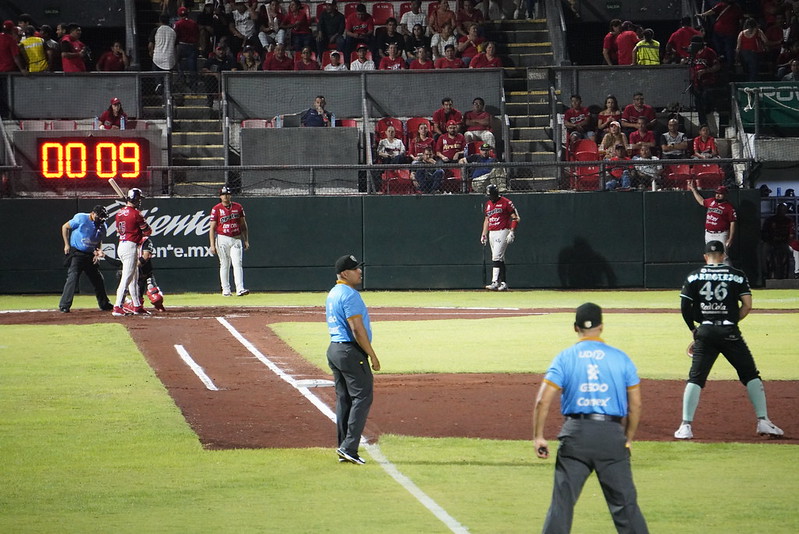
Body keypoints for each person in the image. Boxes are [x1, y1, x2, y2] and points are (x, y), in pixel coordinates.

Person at [533, 302, 649, 534]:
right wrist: (627, 439)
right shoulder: (621, 358)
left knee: (561, 505)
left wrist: (538, 437)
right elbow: (635, 405)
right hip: (611, 436)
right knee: (626, 507)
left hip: (575, 435)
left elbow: (542, 401)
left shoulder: (564, 358)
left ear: (575, 327)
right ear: (601, 327)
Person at [674, 241, 784, 440]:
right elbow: (747, 305)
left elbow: (684, 307)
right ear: (724, 256)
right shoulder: (737, 275)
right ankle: (763, 420)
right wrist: (731, 321)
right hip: (729, 331)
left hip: (705, 331)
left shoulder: (693, 276)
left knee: (696, 378)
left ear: (705, 257)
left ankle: (685, 426)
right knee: (750, 375)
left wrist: (693, 329)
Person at [325, 254, 381, 465]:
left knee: (344, 399)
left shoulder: (333, 292)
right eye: (355, 268)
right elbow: (357, 329)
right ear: (344, 273)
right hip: (350, 352)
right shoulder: (349, 295)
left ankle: (344, 446)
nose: (360, 271)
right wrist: (372, 355)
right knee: (363, 397)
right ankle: (349, 448)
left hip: (335, 349)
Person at [58, 205, 115, 313]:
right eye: (99, 216)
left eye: (103, 217)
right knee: (73, 277)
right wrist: (66, 244)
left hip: (90, 255)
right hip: (77, 254)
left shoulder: (103, 226)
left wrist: (97, 253)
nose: (101, 219)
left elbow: (99, 240)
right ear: (93, 213)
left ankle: (104, 304)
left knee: (98, 279)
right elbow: (65, 227)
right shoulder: (81, 218)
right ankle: (64, 305)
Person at [112, 188, 152, 316]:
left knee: (134, 277)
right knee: (127, 278)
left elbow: (118, 230)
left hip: (122, 245)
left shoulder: (119, 213)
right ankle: (118, 306)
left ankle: (137, 305)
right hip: (130, 246)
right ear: (134, 199)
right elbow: (148, 231)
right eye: (138, 199)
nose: (140, 201)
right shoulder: (136, 214)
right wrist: (141, 230)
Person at [209, 186, 250, 297]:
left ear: (230, 195)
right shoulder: (216, 209)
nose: (225, 196)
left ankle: (240, 289)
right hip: (222, 238)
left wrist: (246, 239)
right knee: (225, 264)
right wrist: (212, 245)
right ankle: (226, 290)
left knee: (237, 263)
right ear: (220, 196)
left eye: (227, 194)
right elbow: (212, 228)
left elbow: (243, 224)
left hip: (236, 237)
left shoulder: (238, 207)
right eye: (223, 194)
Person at [481, 184, 519, 290]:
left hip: (502, 230)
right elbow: (487, 220)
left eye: (490, 195)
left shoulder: (506, 202)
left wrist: (512, 231)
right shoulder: (488, 204)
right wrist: (484, 234)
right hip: (492, 232)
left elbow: (515, 218)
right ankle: (503, 283)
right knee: (500, 259)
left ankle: (494, 282)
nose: (489, 197)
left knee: (496, 257)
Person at [120, 237, 166, 313]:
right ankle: (127, 304)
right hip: (136, 276)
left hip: (146, 272)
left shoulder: (145, 241)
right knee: (137, 301)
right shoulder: (126, 242)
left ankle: (159, 306)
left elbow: (146, 256)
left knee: (156, 297)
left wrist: (133, 266)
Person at [689, 182, 736, 250]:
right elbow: (701, 201)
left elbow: (733, 223)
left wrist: (730, 238)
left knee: (722, 255)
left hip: (721, 234)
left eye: (720, 194)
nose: (717, 195)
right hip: (709, 234)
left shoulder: (729, 207)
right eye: (717, 193)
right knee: (709, 254)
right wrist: (694, 190)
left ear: (725, 195)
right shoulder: (711, 201)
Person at [687, 36, 721, 126]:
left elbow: (717, 66)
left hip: (708, 81)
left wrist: (705, 71)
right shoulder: (693, 54)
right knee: (698, 103)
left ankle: (709, 114)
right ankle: (703, 124)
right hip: (696, 82)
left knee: (705, 99)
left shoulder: (709, 52)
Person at [699, 0, 743, 66]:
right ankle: (730, 64)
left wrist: (702, 14)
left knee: (718, 45)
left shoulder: (722, 5)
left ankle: (721, 59)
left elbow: (712, 11)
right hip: (731, 31)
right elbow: (740, 20)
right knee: (729, 48)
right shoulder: (737, 8)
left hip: (719, 30)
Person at [761, 203, 796, 279]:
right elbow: (764, 233)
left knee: (791, 251)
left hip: (784, 243)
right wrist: (770, 241)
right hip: (771, 242)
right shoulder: (769, 220)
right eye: (780, 209)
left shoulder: (789, 221)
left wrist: (786, 242)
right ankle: (765, 272)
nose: (781, 211)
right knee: (764, 250)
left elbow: (791, 234)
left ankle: (791, 274)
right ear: (777, 210)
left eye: (783, 210)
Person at [174, 6, 200, 74]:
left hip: (181, 45)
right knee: (192, 63)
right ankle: (193, 78)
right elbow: (197, 34)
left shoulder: (177, 23)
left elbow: (175, 34)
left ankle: (181, 76)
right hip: (192, 45)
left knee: (177, 61)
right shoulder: (193, 23)